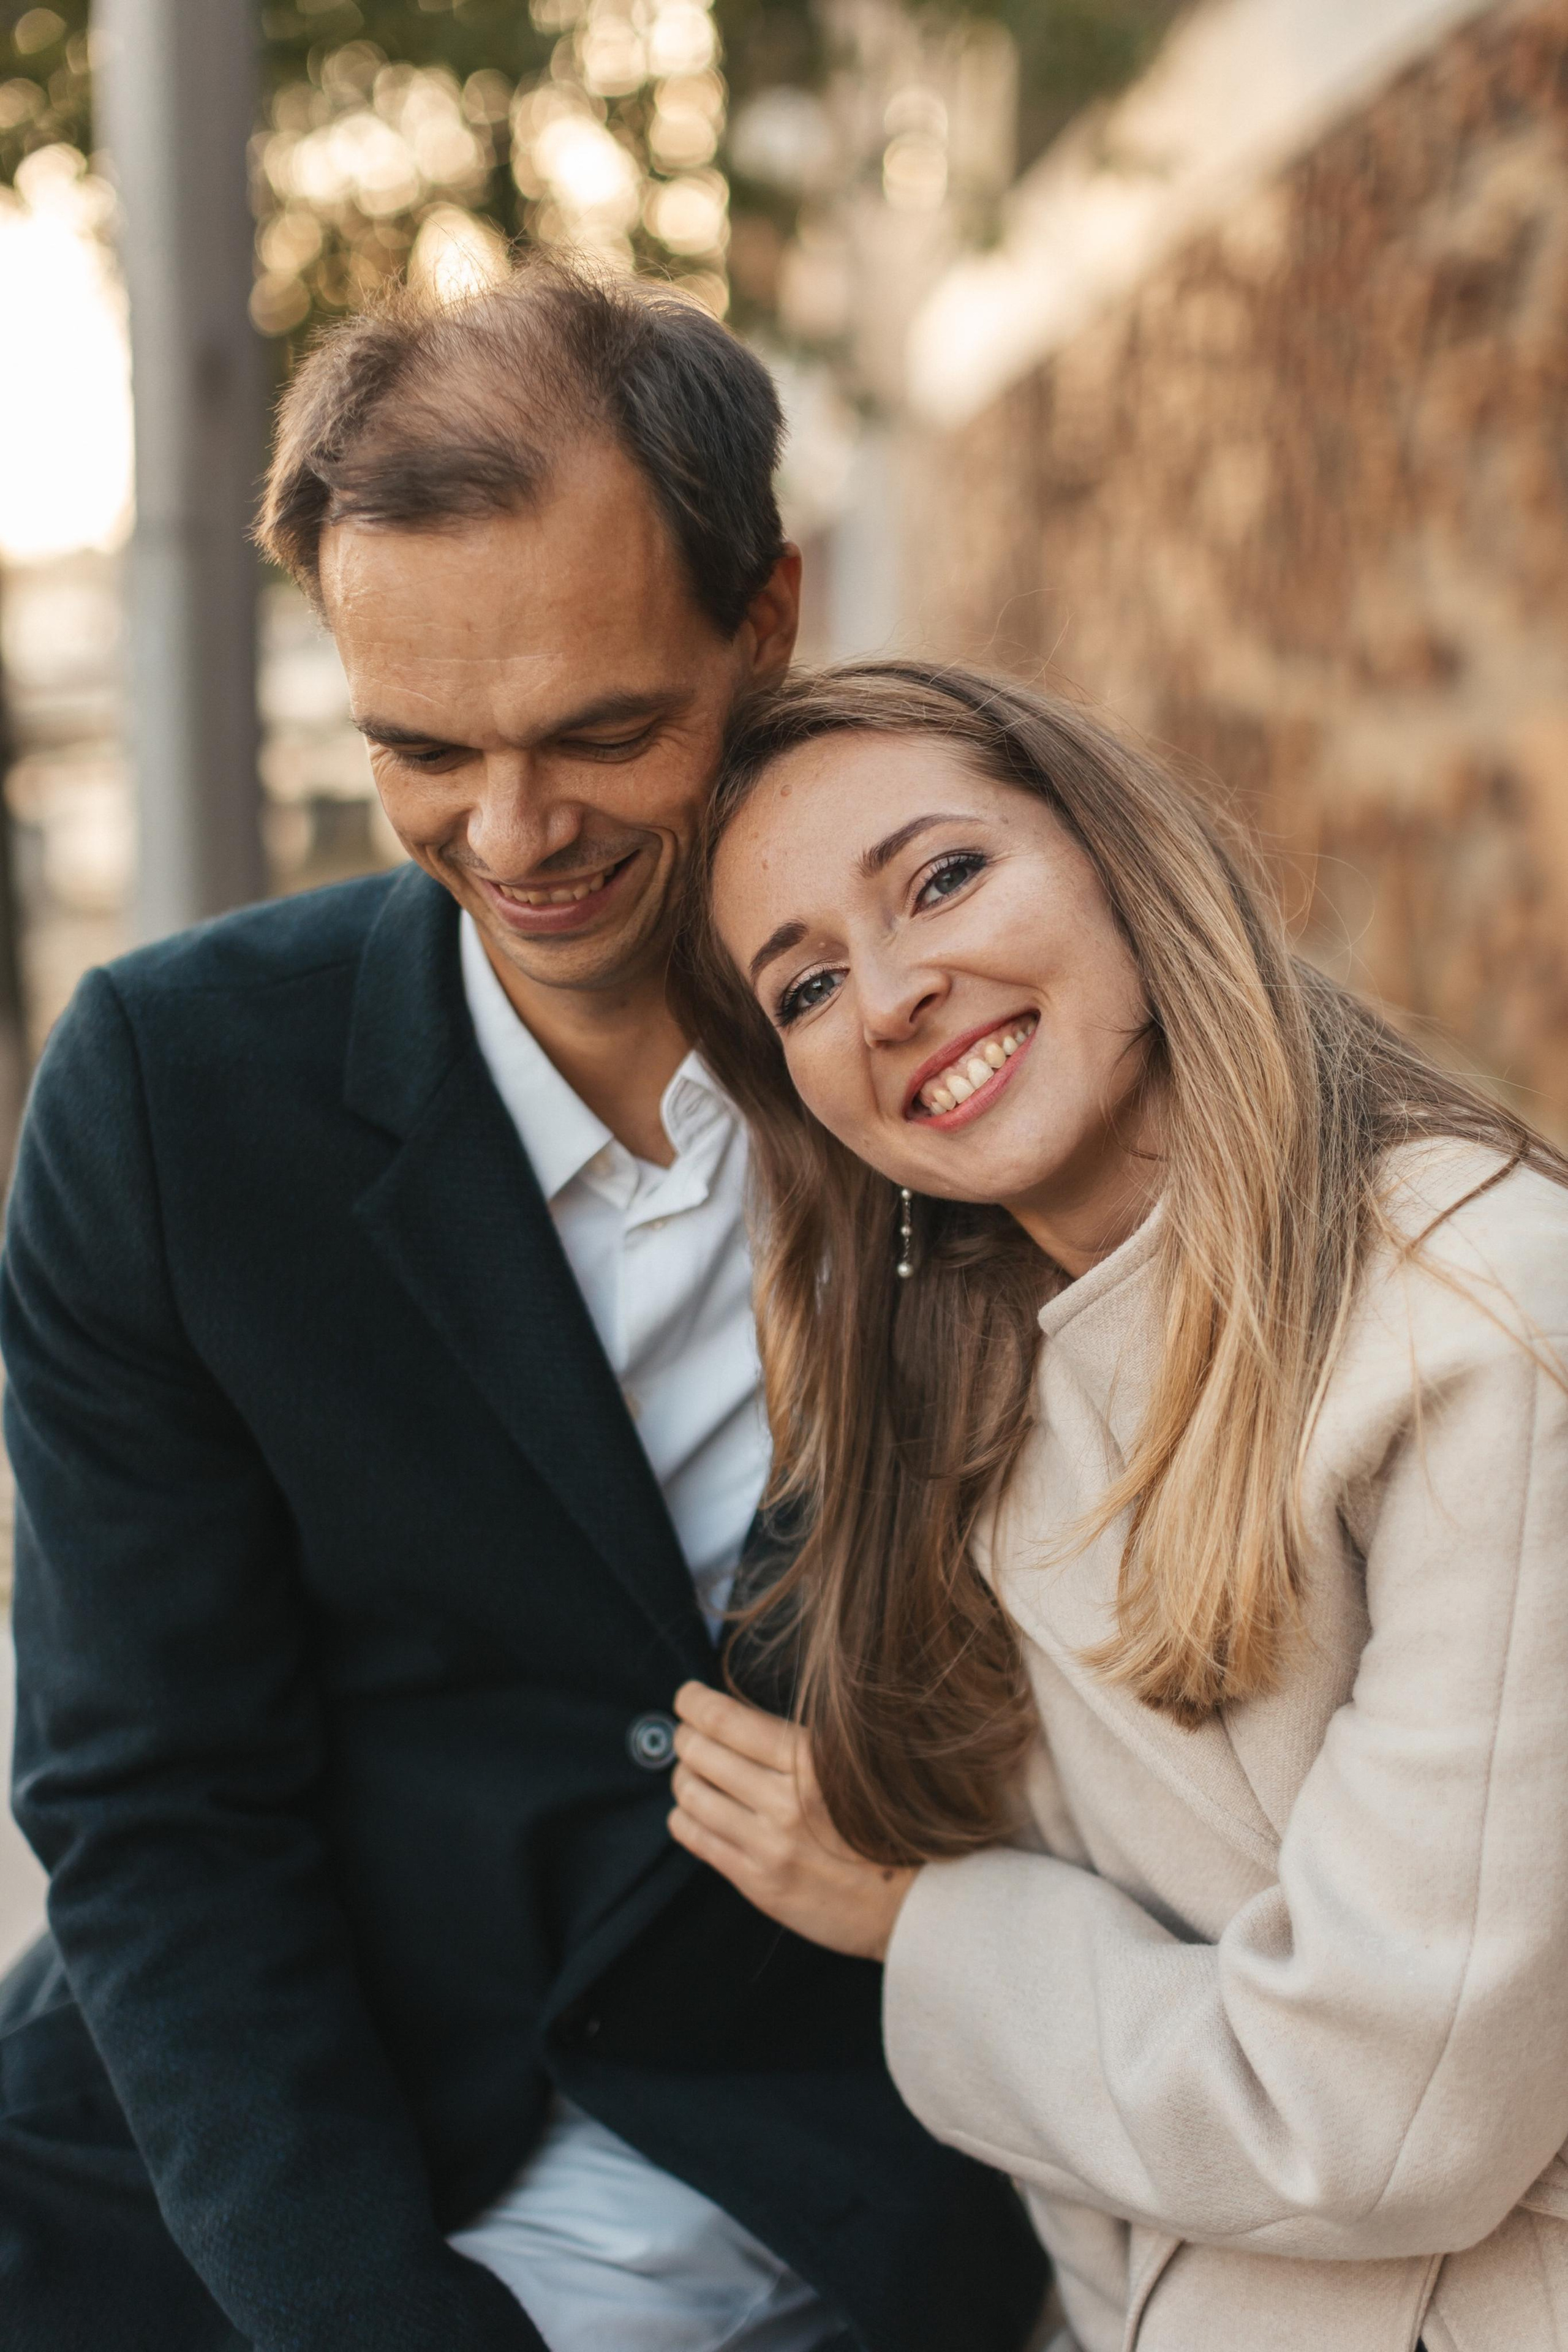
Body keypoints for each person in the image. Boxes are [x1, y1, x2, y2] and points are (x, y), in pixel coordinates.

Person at [0, 279, 1046, 2352]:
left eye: (602, 732)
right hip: (248, 2195)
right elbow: (154, 1800)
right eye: (421, 749)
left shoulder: (983, 1047)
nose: (512, 835)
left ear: (767, 620)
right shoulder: (168, 1096)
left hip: (827, 2166)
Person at [665, 658, 1568, 2352]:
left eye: (944, 878)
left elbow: (1382, 2119)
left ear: (1116, 854)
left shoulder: (1485, 1325)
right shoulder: (968, 1414)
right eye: (806, 987)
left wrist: (920, 1923)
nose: (890, 997)